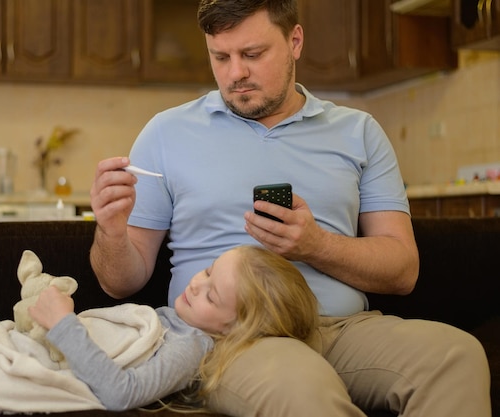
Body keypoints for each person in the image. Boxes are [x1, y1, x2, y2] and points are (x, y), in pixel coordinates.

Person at [88, 0, 492, 416]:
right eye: (220, 57)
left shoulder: (359, 132)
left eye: (252, 54)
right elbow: (120, 282)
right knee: (300, 385)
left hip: (339, 329)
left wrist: (316, 245)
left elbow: (403, 270)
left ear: (294, 41)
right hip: (231, 337)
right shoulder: (165, 133)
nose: (235, 73)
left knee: (457, 356)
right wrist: (111, 231)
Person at [30, 244, 318, 411]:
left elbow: (122, 393)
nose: (195, 284)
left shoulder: (190, 346)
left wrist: (62, 324)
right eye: (208, 271)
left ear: (235, 329)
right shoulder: (182, 321)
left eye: (211, 295)